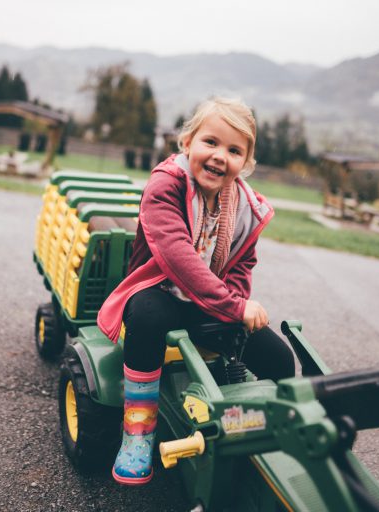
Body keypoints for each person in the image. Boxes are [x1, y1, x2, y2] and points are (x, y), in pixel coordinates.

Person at [97, 97, 297, 485]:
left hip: (208, 301)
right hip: (159, 288)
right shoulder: (165, 186)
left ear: (246, 164)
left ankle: (266, 430)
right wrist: (233, 307)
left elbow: (241, 264)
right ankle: (138, 431)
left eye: (234, 150)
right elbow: (178, 259)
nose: (221, 156)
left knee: (278, 357)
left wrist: (234, 308)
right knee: (147, 314)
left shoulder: (243, 207)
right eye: (211, 142)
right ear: (187, 143)